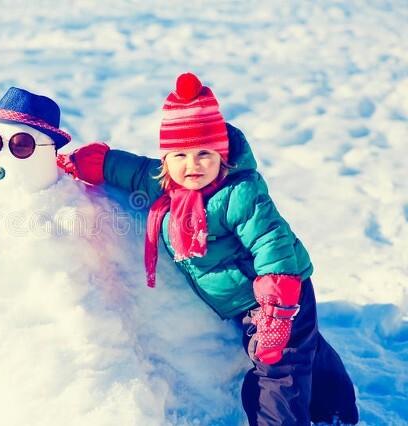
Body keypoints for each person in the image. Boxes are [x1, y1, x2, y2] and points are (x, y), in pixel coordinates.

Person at [57, 72, 359, 425]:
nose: (193, 165)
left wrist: (277, 309)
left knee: (279, 370)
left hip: (279, 295)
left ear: (222, 156)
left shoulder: (239, 193)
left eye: (205, 154)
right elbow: (134, 170)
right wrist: (93, 164)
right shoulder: (165, 186)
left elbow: (271, 243)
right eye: (180, 154)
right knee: (305, 350)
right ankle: (334, 406)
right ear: (166, 160)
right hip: (244, 302)